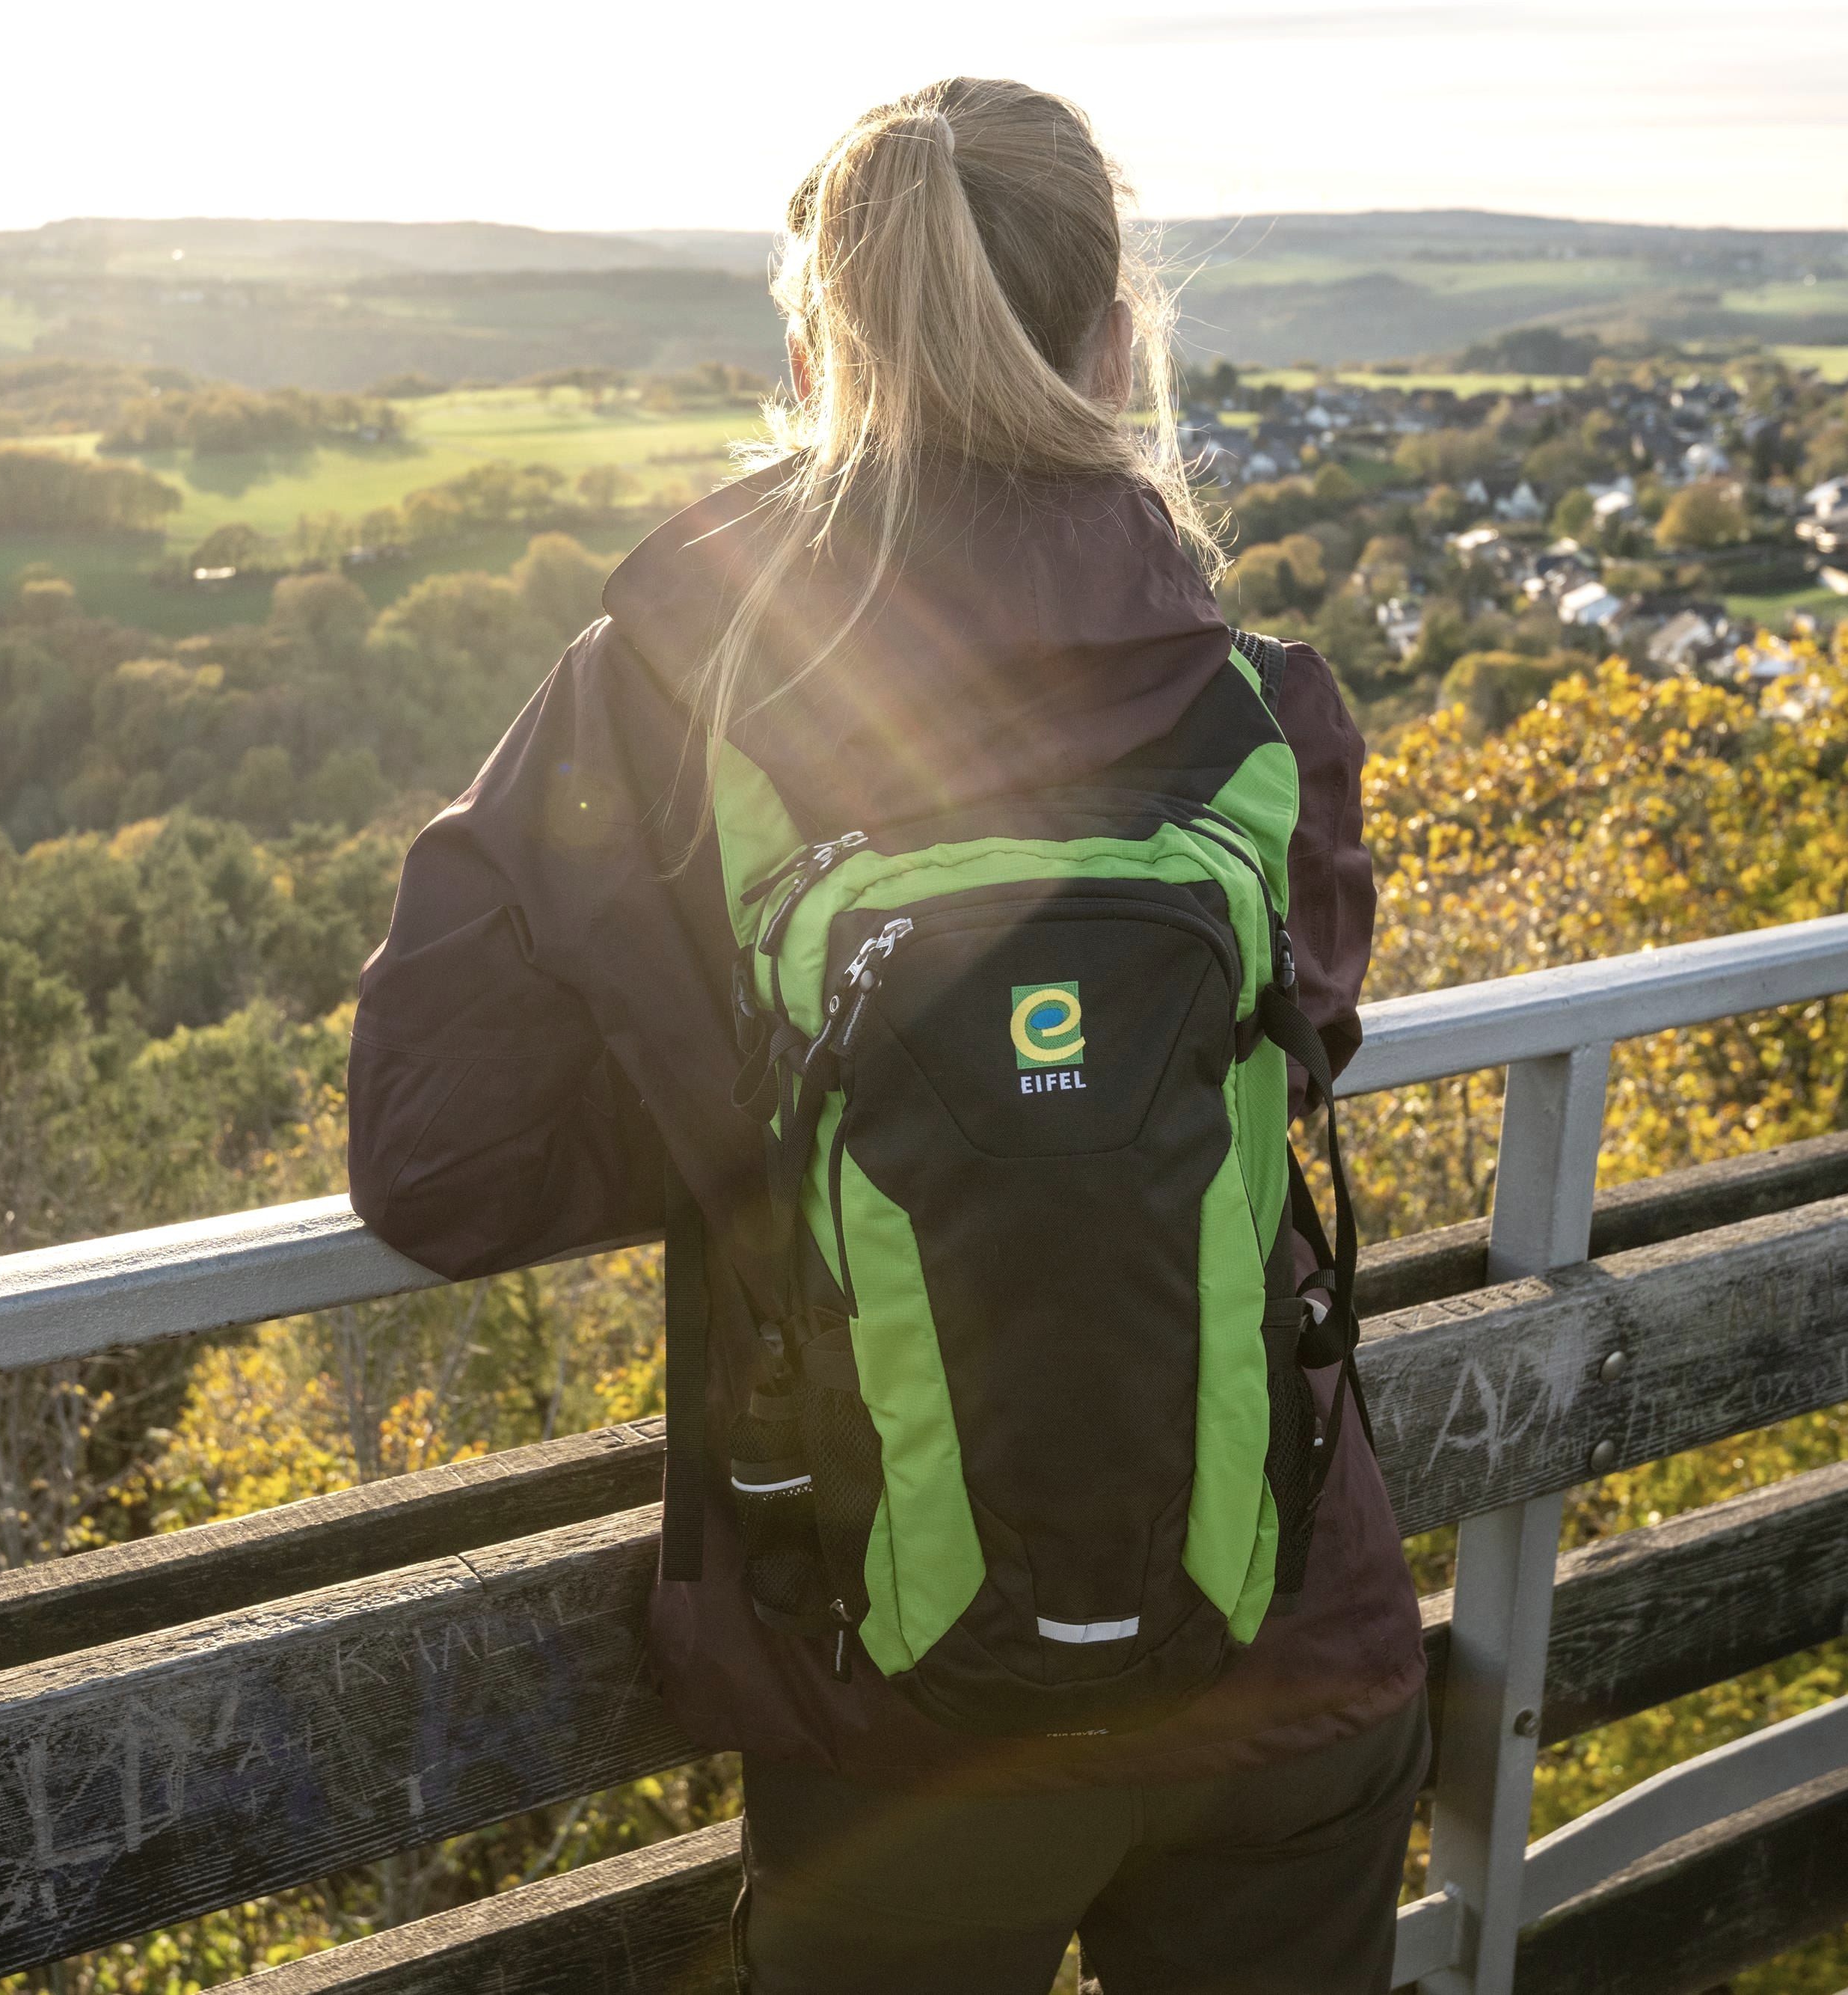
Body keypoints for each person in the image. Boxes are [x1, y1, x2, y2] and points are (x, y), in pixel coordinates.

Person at [348, 76, 1424, 1995]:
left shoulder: (664, 692)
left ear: (805, 359)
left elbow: (437, 1160)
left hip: (892, 1694)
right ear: (1116, 345)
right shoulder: (1262, 708)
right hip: (1284, 1641)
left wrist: (777, 1111)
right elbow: (1270, 1054)